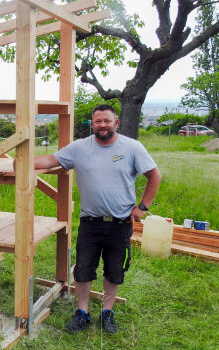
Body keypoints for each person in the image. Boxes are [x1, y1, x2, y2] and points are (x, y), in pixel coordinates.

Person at [34, 104, 161, 334]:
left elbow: (154, 175)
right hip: (90, 222)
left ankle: (107, 312)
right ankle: (82, 312)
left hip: (119, 223)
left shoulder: (132, 147)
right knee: (83, 269)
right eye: (98, 121)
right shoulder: (80, 148)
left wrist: (142, 207)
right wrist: (21, 163)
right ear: (92, 124)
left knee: (114, 270)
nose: (102, 125)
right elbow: (50, 160)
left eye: (107, 121)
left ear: (116, 123)